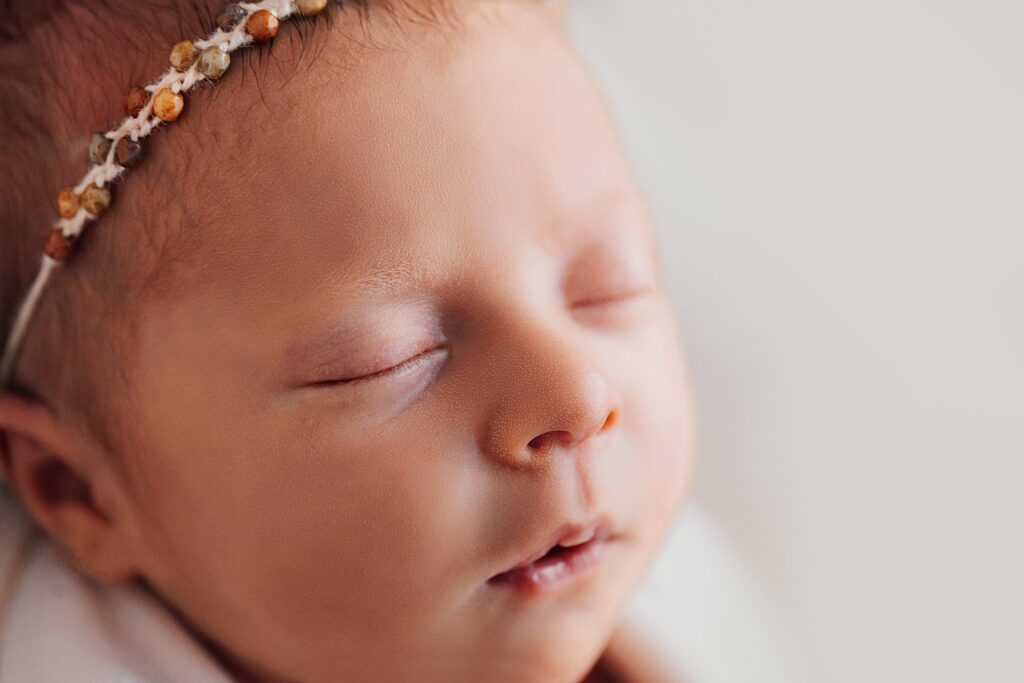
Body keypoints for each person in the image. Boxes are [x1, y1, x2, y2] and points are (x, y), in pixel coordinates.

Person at [0, 1, 696, 680]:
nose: (578, 392)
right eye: (387, 359)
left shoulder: (699, 596)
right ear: (81, 489)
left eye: (608, 286)